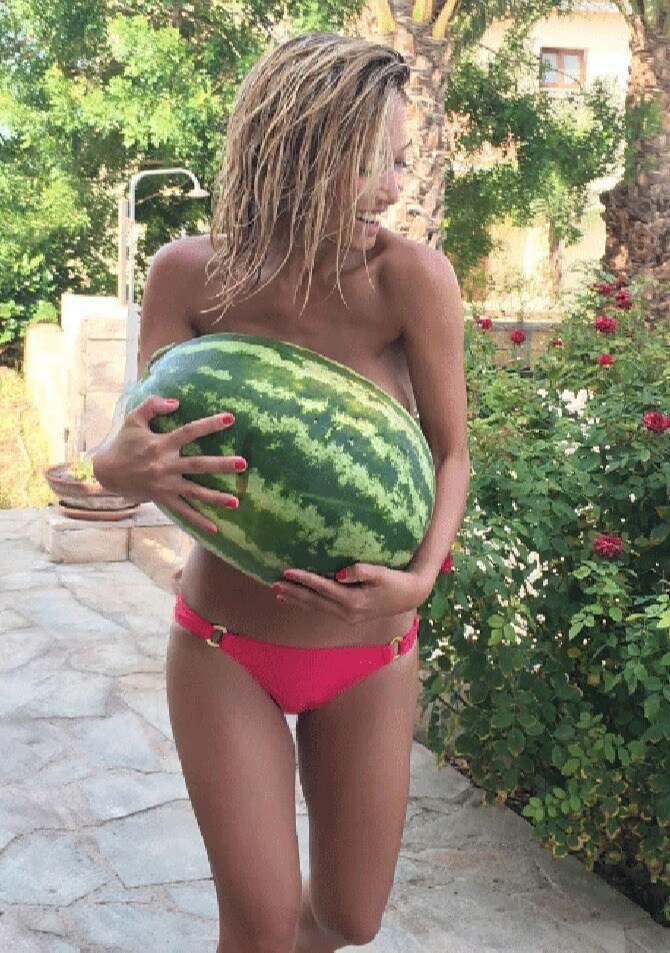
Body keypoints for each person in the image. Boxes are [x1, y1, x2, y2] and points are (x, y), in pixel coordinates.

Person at [92, 31, 470, 953]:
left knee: (347, 918)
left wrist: (421, 579)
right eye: (374, 163)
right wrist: (115, 469)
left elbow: (452, 453)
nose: (393, 188)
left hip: (371, 653)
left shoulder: (409, 280)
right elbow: (136, 441)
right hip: (225, 648)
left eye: (399, 161)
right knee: (259, 928)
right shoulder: (189, 274)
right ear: (299, 152)